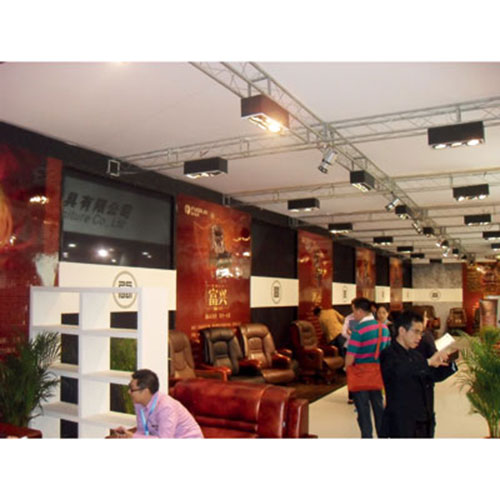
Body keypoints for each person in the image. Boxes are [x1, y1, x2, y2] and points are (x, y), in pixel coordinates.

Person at [379, 310, 457, 438]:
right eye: (416, 332)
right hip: (402, 422)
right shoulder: (388, 354)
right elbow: (401, 371)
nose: (419, 337)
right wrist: (428, 362)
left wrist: (450, 363)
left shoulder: (417, 355)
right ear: (402, 331)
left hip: (424, 420)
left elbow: (431, 376)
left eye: (421, 333)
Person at [345, 297, 391, 438]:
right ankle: (383, 436)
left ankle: (367, 437)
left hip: (360, 375)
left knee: (363, 411)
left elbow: (350, 357)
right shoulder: (384, 328)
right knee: (379, 408)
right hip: (377, 374)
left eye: (354, 311)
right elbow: (388, 353)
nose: (353, 315)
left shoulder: (359, 330)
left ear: (360, 311)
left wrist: (347, 368)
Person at [112, 369, 203, 439]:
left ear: (145, 391)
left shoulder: (166, 407)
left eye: (132, 389)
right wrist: (128, 436)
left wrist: (133, 437)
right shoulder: (139, 403)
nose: (129, 392)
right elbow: (142, 431)